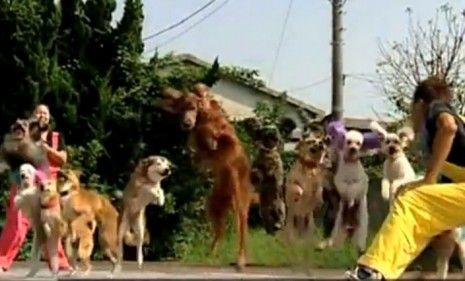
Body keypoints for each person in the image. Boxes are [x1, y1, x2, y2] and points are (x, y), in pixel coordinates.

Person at [345, 76, 465, 280]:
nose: (412, 119)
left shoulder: (435, 108)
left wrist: (428, 179)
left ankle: (374, 270)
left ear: (419, 104)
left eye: (412, 111)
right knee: (416, 199)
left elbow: (448, 127)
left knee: (413, 201)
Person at [0, 104, 69, 271]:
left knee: (52, 225)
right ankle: (2, 261)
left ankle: (59, 262)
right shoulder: (23, 132)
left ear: (49, 117)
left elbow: (63, 159)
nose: (42, 115)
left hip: (47, 186)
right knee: (16, 224)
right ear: (33, 115)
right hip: (25, 183)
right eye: (39, 112)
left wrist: (47, 148)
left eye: (45, 113)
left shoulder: (56, 136)